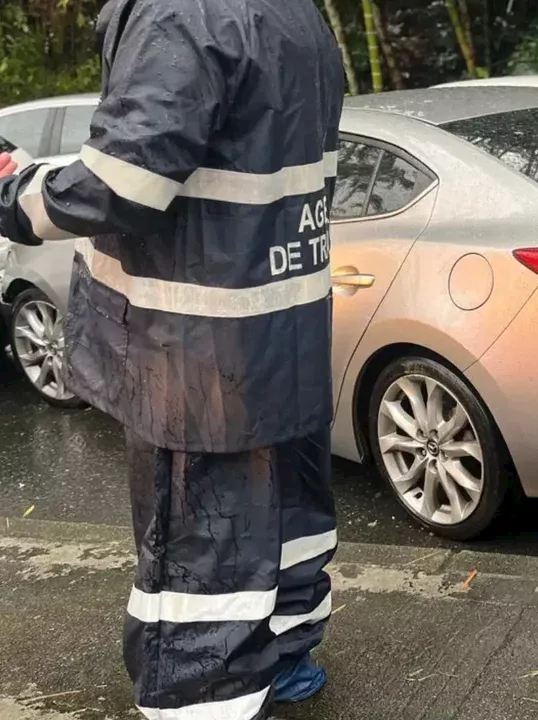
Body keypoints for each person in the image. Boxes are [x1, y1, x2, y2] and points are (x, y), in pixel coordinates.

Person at [0, 1, 346, 718]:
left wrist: (16, 192)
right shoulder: (295, 13)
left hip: (191, 354)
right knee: (285, 514)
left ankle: (203, 703)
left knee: (198, 561)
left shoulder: (178, 16)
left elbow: (122, 185)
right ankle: (285, 661)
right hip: (279, 332)